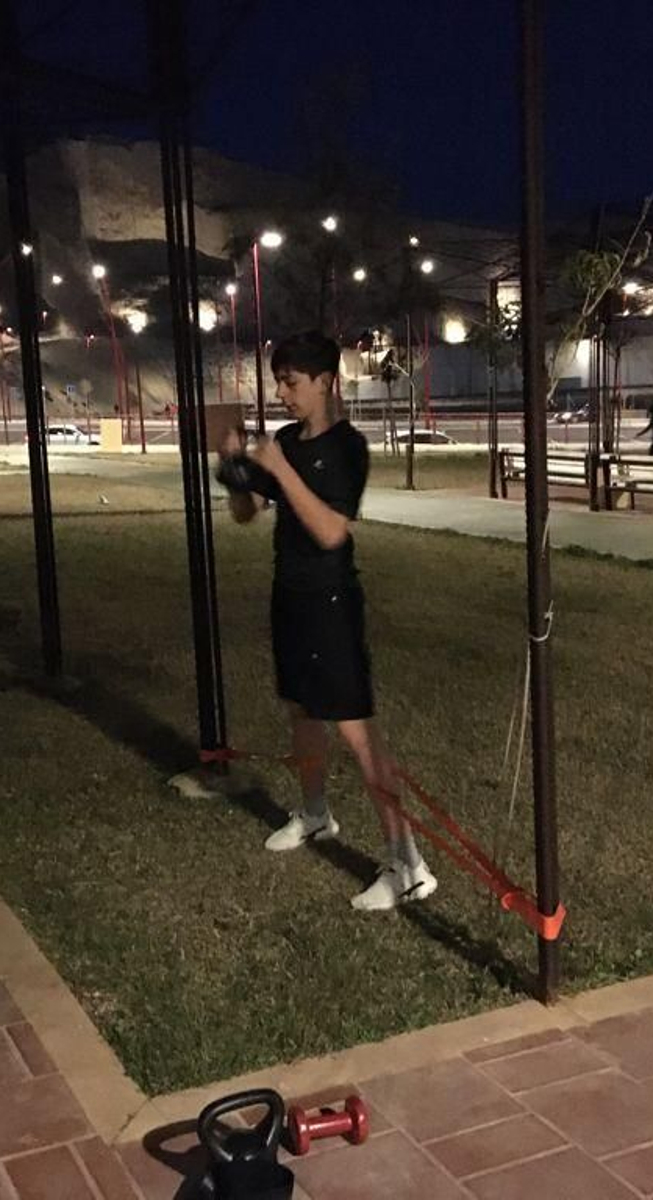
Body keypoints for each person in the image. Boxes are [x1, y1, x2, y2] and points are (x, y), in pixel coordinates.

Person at [216, 331, 436, 911]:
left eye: (293, 382)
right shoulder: (285, 442)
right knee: (301, 712)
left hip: (332, 604)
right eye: (279, 382)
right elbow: (248, 513)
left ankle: (407, 863)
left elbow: (333, 531)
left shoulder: (347, 448)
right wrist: (235, 467)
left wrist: (279, 469)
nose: (283, 394)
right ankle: (316, 813)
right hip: (288, 596)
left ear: (325, 382)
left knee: (357, 732)